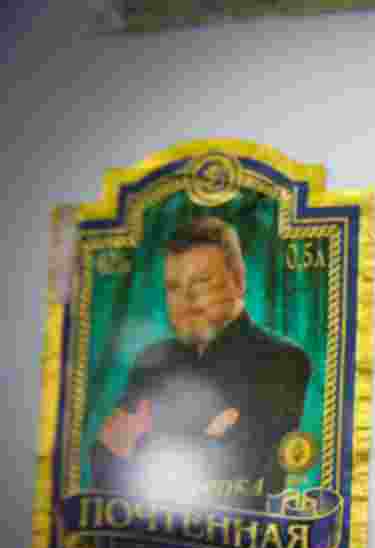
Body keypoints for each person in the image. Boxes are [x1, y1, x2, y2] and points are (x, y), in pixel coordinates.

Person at [92, 216, 311, 511]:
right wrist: (206, 439)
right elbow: (104, 467)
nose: (186, 298)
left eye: (202, 282)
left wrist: (141, 448)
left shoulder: (283, 360)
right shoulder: (151, 361)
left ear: (239, 281)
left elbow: (251, 478)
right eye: (173, 287)